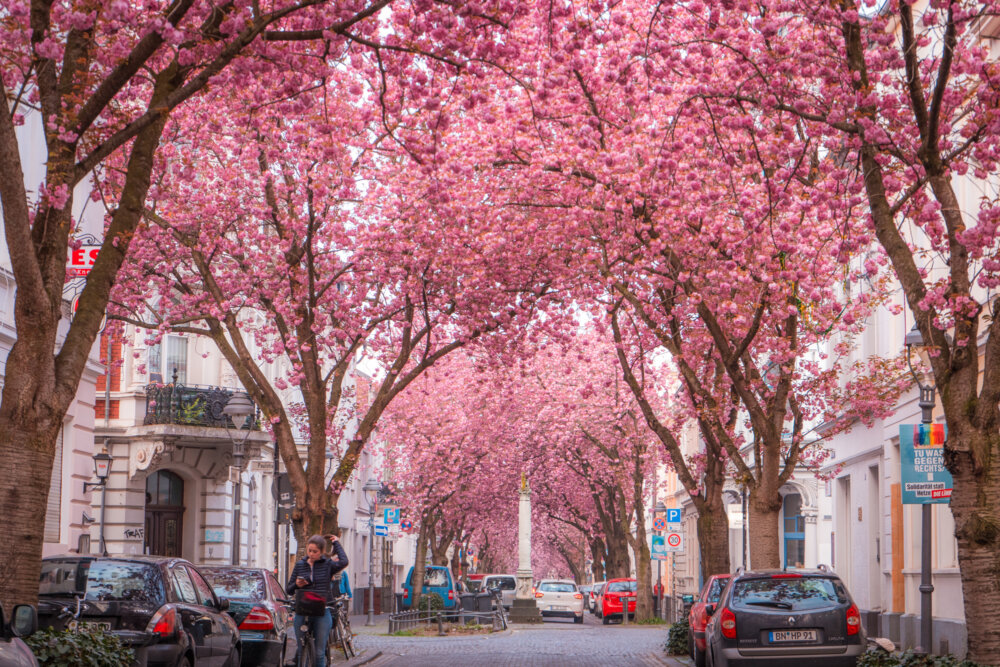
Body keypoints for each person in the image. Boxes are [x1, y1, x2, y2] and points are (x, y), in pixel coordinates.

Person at [286, 533, 348, 667]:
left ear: (321, 552)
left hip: (322, 610)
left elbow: (344, 562)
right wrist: (297, 585)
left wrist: (336, 543)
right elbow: (289, 589)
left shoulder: (328, 564)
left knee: (320, 652)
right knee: (302, 650)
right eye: (309, 551)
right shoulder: (300, 565)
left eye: (315, 552)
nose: (311, 554)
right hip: (303, 610)